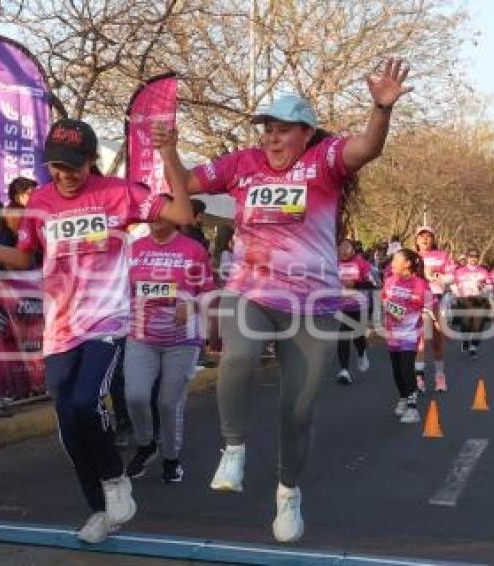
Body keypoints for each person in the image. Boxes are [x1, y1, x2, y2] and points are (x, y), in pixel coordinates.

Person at [154, 57, 413, 542]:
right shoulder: (241, 164)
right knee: (239, 359)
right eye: (266, 129)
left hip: (312, 306)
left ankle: (288, 492)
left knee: (298, 413)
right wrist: (169, 153)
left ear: (306, 133)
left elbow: (367, 148)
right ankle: (233, 449)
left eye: (281, 130)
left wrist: (381, 109)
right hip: (250, 291)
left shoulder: (325, 161)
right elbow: (184, 185)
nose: (271, 138)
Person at [0, 118, 193, 544]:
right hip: (60, 327)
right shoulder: (40, 200)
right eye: (56, 166)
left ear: (92, 161)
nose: (65, 175)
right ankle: (98, 509)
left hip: (106, 321)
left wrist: (168, 155)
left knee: (88, 402)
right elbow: (23, 260)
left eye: (74, 166)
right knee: (68, 416)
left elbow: (181, 213)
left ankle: (114, 481)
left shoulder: (118, 192)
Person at [123, 218, 215, 482]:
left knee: (168, 403)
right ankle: (146, 446)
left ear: (175, 217)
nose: (156, 219)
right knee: (136, 396)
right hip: (141, 336)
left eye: (163, 213)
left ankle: (172, 459)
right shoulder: (134, 248)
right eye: (152, 214)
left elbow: (207, 291)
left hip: (182, 340)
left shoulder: (193, 249)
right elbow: (120, 288)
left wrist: (192, 304)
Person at [382, 248, 430, 424]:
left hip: (410, 333)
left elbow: (426, 305)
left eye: (395, 260)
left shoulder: (420, 284)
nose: (392, 264)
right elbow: (385, 301)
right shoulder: (389, 281)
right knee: (396, 370)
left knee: (406, 368)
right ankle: (403, 397)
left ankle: (412, 408)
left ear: (408, 264)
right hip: (393, 333)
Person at [413, 226, 454, 393]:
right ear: (416, 240)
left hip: (437, 298)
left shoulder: (442, 256)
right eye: (421, 236)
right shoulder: (411, 256)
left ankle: (439, 376)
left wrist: (436, 276)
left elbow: (451, 277)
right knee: (420, 342)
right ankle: (419, 378)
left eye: (428, 236)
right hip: (417, 300)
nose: (425, 239)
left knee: (437, 342)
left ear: (433, 239)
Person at [335, 238, 373, 384]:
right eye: (341, 247)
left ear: (353, 248)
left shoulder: (362, 263)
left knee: (358, 335)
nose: (344, 250)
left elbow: (371, 283)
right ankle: (344, 370)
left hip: (360, 305)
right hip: (342, 306)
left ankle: (362, 352)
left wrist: (356, 283)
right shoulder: (334, 263)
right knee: (343, 335)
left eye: (347, 247)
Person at [452, 248, 491, 356]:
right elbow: (453, 285)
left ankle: (474, 346)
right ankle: (465, 341)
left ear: (478, 258)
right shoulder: (460, 271)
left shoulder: (483, 271)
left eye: (476, 256)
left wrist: (483, 287)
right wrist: (457, 295)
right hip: (465, 300)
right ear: (467, 257)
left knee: (478, 325)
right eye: (471, 256)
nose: (473, 258)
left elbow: (490, 286)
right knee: (466, 324)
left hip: (480, 300)